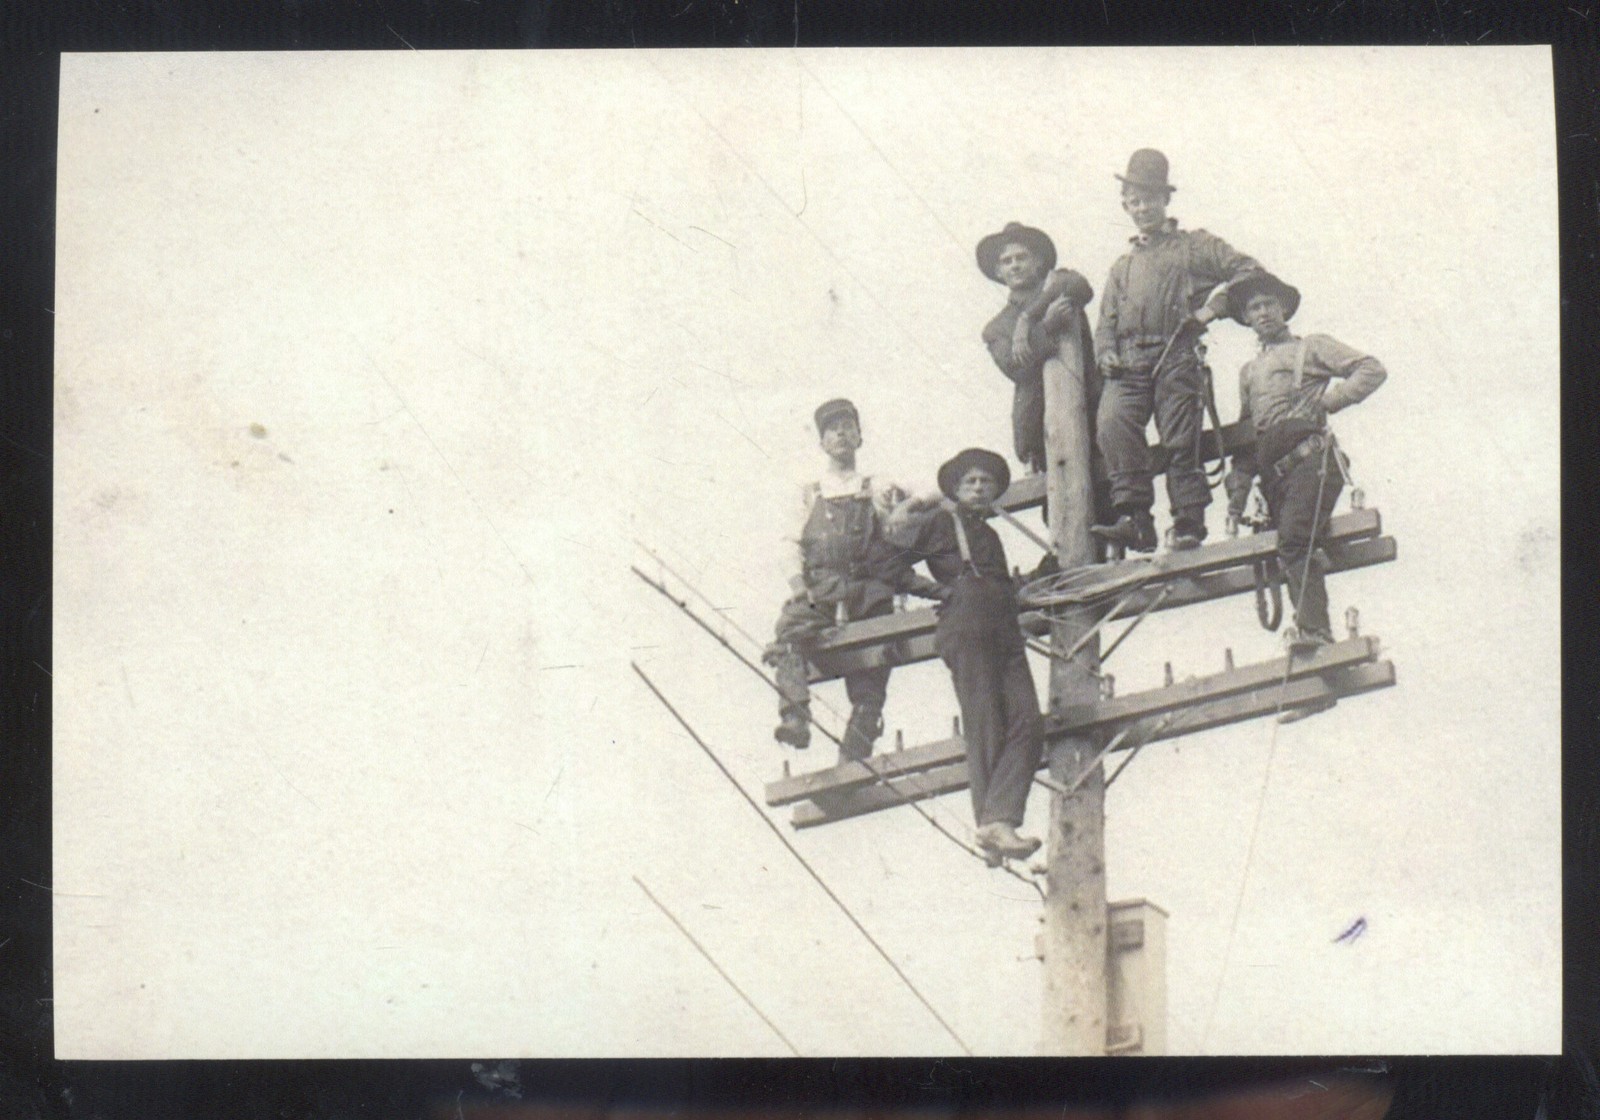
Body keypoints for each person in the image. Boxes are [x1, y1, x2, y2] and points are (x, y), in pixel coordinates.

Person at [1092, 149, 1264, 553]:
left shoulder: (1194, 246)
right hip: (1129, 363)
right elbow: (1105, 322)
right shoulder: (1122, 267)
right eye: (1135, 200)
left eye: (1150, 198)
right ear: (1125, 205)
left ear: (1165, 199)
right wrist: (1106, 353)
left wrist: (1210, 310)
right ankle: (1135, 519)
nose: (1143, 208)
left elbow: (1249, 270)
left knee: (1180, 440)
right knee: (1112, 423)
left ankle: (1188, 522)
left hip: (1175, 354)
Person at [1222, 272, 1386, 678]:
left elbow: (1371, 369)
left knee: (1294, 539)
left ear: (1283, 309)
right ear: (1246, 317)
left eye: (1269, 304)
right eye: (1254, 308)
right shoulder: (1249, 372)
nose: (1262, 313)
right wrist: (1237, 495)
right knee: (1290, 546)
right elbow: (1247, 437)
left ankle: (1315, 633)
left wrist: (1329, 401)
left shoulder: (1310, 348)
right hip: (1274, 478)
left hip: (1312, 462)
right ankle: (1315, 652)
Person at [886, 448, 1043, 860]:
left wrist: (1039, 576)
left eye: (986, 482)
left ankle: (993, 822)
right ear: (955, 490)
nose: (978, 488)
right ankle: (995, 824)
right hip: (967, 623)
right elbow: (889, 564)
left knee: (1028, 720)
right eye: (970, 481)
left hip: (1004, 624)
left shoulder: (989, 535)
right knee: (986, 721)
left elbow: (998, 583)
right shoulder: (941, 522)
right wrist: (940, 591)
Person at [764, 398, 943, 762]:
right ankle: (795, 718)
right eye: (833, 429)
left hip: (869, 589)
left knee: (873, 667)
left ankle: (856, 749)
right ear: (822, 442)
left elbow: (934, 489)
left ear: (859, 437)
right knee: (789, 631)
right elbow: (787, 542)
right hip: (823, 589)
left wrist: (907, 507)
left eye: (848, 427)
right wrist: (799, 588)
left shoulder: (877, 484)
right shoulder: (808, 491)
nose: (842, 434)